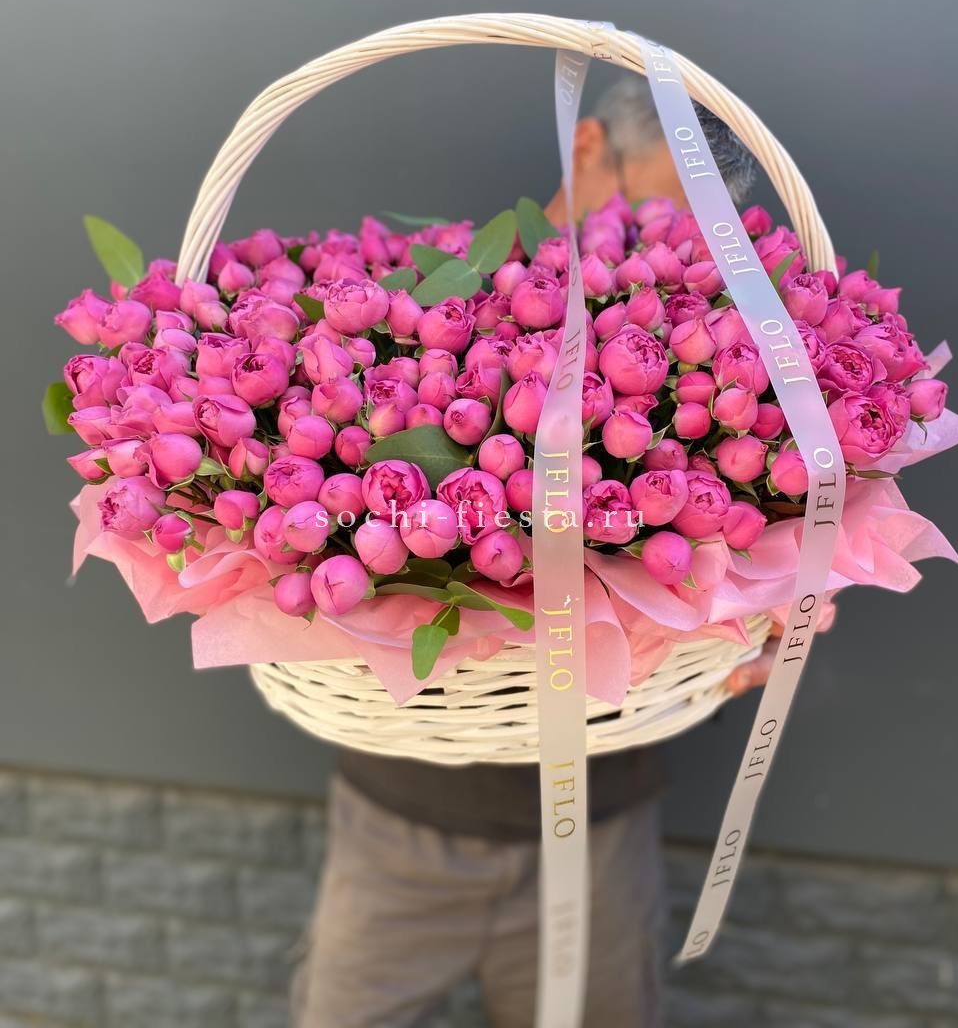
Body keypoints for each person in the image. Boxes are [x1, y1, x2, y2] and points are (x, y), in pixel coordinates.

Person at [292, 74, 777, 1028]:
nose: (659, 243)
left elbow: (760, 533)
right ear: (586, 146)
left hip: (600, 827)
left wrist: (760, 615)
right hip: (398, 823)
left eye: (694, 231)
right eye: (650, 208)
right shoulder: (428, 293)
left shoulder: (703, 340)